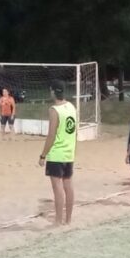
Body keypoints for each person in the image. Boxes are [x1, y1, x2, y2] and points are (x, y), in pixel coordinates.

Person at [38, 80, 77, 225]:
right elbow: (73, 130)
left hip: (57, 154)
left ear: (54, 91)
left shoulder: (54, 110)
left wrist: (43, 155)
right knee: (68, 186)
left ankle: (58, 220)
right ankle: (68, 220)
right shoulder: (72, 107)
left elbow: (51, 135)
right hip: (69, 153)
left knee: (58, 189)